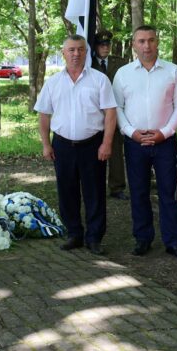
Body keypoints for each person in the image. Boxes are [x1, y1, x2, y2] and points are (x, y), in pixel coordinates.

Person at [112, 25, 177, 261]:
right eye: (141, 41)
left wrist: (165, 132)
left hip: (165, 141)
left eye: (151, 40)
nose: (146, 46)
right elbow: (117, 107)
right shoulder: (123, 74)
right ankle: (143, 238)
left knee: (170, 192)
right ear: (133, 45)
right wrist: (130, 131)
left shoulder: (173, 71)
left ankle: (173, 241)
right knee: (138, 192)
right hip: (134, 141)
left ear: (158, 42)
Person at [35, 35, 117, 255]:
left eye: (80, 49)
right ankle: (74, 234)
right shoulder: (53, 82)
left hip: (93, 145)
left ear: (86, 52)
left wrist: (107, 143)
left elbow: (110, 113)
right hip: (62, 145)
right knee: (67, 191)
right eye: (71, 50)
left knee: (95, 192)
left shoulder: (99, 80)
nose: (76, 54)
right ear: (63, 53)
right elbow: (44, 115)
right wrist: (45, 144)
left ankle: (94, 238)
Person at [91, 31, 130, 200]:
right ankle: (94, 185)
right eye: (102, 45)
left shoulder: (120, 63)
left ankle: (117, 187)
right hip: (94, 113)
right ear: (95, 46)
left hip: (114, 112)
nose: (105, 48)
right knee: (93, 151)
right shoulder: (89, 63)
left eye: (107, 45)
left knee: (115, 151)